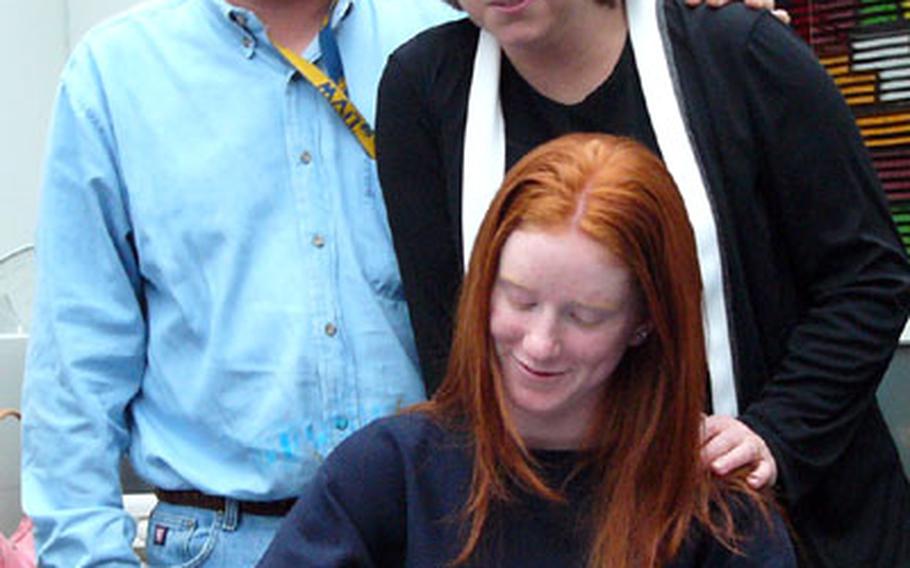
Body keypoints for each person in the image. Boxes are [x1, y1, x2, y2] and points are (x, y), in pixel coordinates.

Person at [374, 1, 910, 566]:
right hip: (571, 530)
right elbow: (452, 343)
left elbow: (867, 278)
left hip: (809, 525)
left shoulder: (740, 52)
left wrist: (775, 432)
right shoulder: (424, 87)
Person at [21, 0, 457, 565]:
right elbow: (75, 363)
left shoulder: (441, 40)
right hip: (221, 538)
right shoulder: (117, 74)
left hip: (426, 530)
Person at [257, 133, 798, 567]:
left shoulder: (716, 508)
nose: (540, 344)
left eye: (585, 316)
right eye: (519, 300)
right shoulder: (386, 473)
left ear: (645, 323)